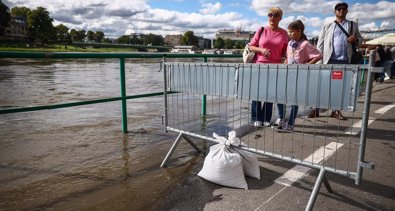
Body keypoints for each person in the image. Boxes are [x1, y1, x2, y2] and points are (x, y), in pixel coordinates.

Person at [316, 1, 363, 120]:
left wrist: (356, 39)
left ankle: (335, 111)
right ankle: (316, 109)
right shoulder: (328, 25)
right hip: (329, 60)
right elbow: (320, 43)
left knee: (339, 87)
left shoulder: (353, 25)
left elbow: (360, 40)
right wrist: (318, 60)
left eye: (344, 9)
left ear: (347, 11)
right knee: (323, 86)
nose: (341, 11)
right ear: (335, 11)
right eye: (339, 9)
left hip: (344, 61)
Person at [276, 20, 322, 132]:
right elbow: (287, 57)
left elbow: (319, 55)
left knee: (294, 100)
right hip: (287, 74)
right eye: (289, 32)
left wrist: (306, 65)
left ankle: (291, 123)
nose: (290, 34)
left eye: (292, 32)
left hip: (299, 76)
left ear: (299, 31)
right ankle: (282, 118)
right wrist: (284, 67)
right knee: (279, 96)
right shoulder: (289, 43)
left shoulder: (305, 44)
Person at [248, 6, 288, 127]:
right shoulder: (261, 30)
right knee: (257, 93)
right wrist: (261, 49)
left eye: (276, 15)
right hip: (259, 66)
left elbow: (286, 52)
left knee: (270, 93)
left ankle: (266, 117)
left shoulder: (284, 33)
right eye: (270, 15)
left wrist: (288, 59)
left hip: (275, 67)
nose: (272, 17)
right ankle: (255, 117)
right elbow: (250, 46)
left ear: (280, 18)